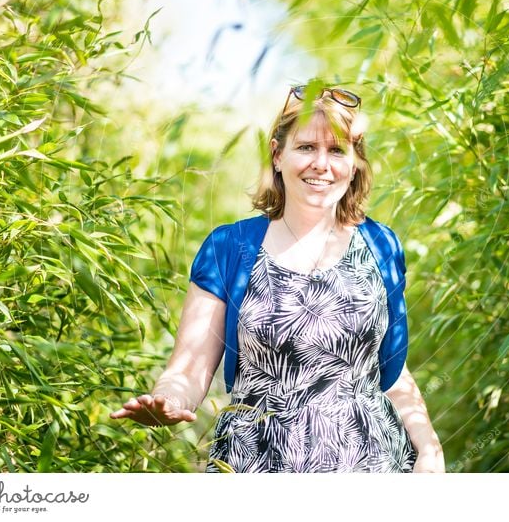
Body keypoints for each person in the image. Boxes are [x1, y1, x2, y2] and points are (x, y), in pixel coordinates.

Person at [111, 84, 445, 473]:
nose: (322, 164)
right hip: (256, 465)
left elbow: (387, 367)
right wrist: (168, 402)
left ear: (354, 164)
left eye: (337, 151)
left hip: (371, 467)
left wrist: (429, 446)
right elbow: (189, 367)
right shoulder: (230, 247)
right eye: (306, 148)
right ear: (277, 154)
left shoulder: (381, 245)